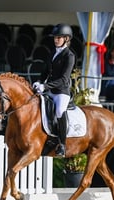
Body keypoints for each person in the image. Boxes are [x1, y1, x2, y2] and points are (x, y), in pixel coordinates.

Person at [32, 23, 75, 157]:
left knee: (59, 111)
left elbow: (64, 79)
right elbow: (45, 71)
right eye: (55, 37)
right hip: (49, 89)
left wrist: (45, 86)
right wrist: (39, 81)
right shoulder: (52, 53)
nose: (56, 40)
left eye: (59, 38)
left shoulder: (69, 56)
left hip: (61, 92)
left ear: (66, 39)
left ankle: (62, 144)